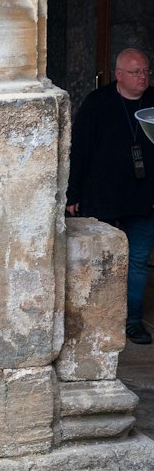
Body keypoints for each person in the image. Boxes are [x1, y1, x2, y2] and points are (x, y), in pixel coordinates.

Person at [67, 47, 154, 344]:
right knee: (97, 257)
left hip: (144, 196)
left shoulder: (153, 102)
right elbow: (79, 150)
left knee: (138, 260)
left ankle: (131, 321)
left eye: (145, 71)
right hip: (101, 193)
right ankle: (94, 317)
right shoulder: (97, 103)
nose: (142, 77)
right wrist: (72, 192)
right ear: (118, 74)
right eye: (135, 72)